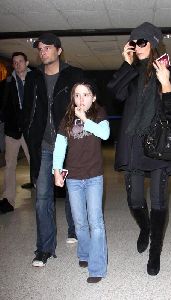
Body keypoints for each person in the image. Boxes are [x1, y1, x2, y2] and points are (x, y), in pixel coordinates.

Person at [107, 22, 171, 276]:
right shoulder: (131, 73)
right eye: (134, 42)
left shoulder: (169, 73)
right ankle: (145, 227)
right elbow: (114, 94)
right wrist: (126, 64)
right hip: (133, 146)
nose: (137, 47)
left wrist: (166, 85)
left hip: (159, 147)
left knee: (159, 202)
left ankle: (155, 253)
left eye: (142, 42)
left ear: (153, 44)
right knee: (135, 199)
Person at [23, 33, 83, 267]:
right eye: (40, 48)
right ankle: (44, 249)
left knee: (72, 191)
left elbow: (84, 104)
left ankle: (74, 229)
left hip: (69, 144)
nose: (43, 51)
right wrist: (29, 134)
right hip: (44, 147)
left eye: (48, 47)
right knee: (42, 199)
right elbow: (30, 110)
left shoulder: (74, 75)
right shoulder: (34, 79)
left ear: (59, 50)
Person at [53, 80, 110, 283]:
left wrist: (85, 119)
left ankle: (97, 268)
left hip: (94, 177)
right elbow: (60, 147)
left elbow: (104, 134)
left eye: (86, 94)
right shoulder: (67, 118)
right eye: (77, 95)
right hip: (74, 179)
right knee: (79, 223)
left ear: (93, 97)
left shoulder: (99, 113)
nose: (81, 99)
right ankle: (84, 254)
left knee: (96, 223)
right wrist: (57, 171)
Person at [0, 52, 32, 214]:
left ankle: (44, 194)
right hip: (12, 130)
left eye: (20, 61)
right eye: (15, 62)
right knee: (10, 165)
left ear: (26, 63)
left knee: (35, 162)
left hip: (30, 129)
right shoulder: (8, 82)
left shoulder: (36, 80)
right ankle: (8, 200)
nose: (18, 64)